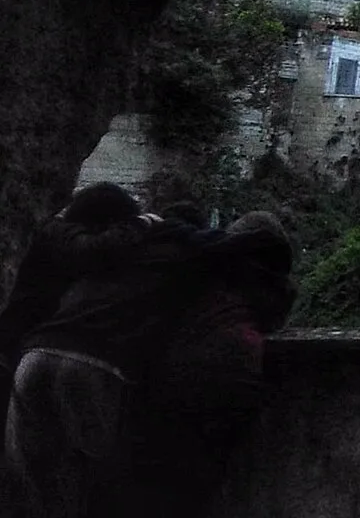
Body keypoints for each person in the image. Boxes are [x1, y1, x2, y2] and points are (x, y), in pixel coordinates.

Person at [1, 184, 211, 518]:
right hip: (90, 362)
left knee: (27, 479)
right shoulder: (67, 239)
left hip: (32, 354)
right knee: (87, 479)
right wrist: (141, 224)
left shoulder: (79, 253)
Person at [129, 211, 296, 518]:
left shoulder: (208, 266)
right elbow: (272, 321)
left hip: (180, 370)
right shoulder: (278, 288)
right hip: (237, 374)